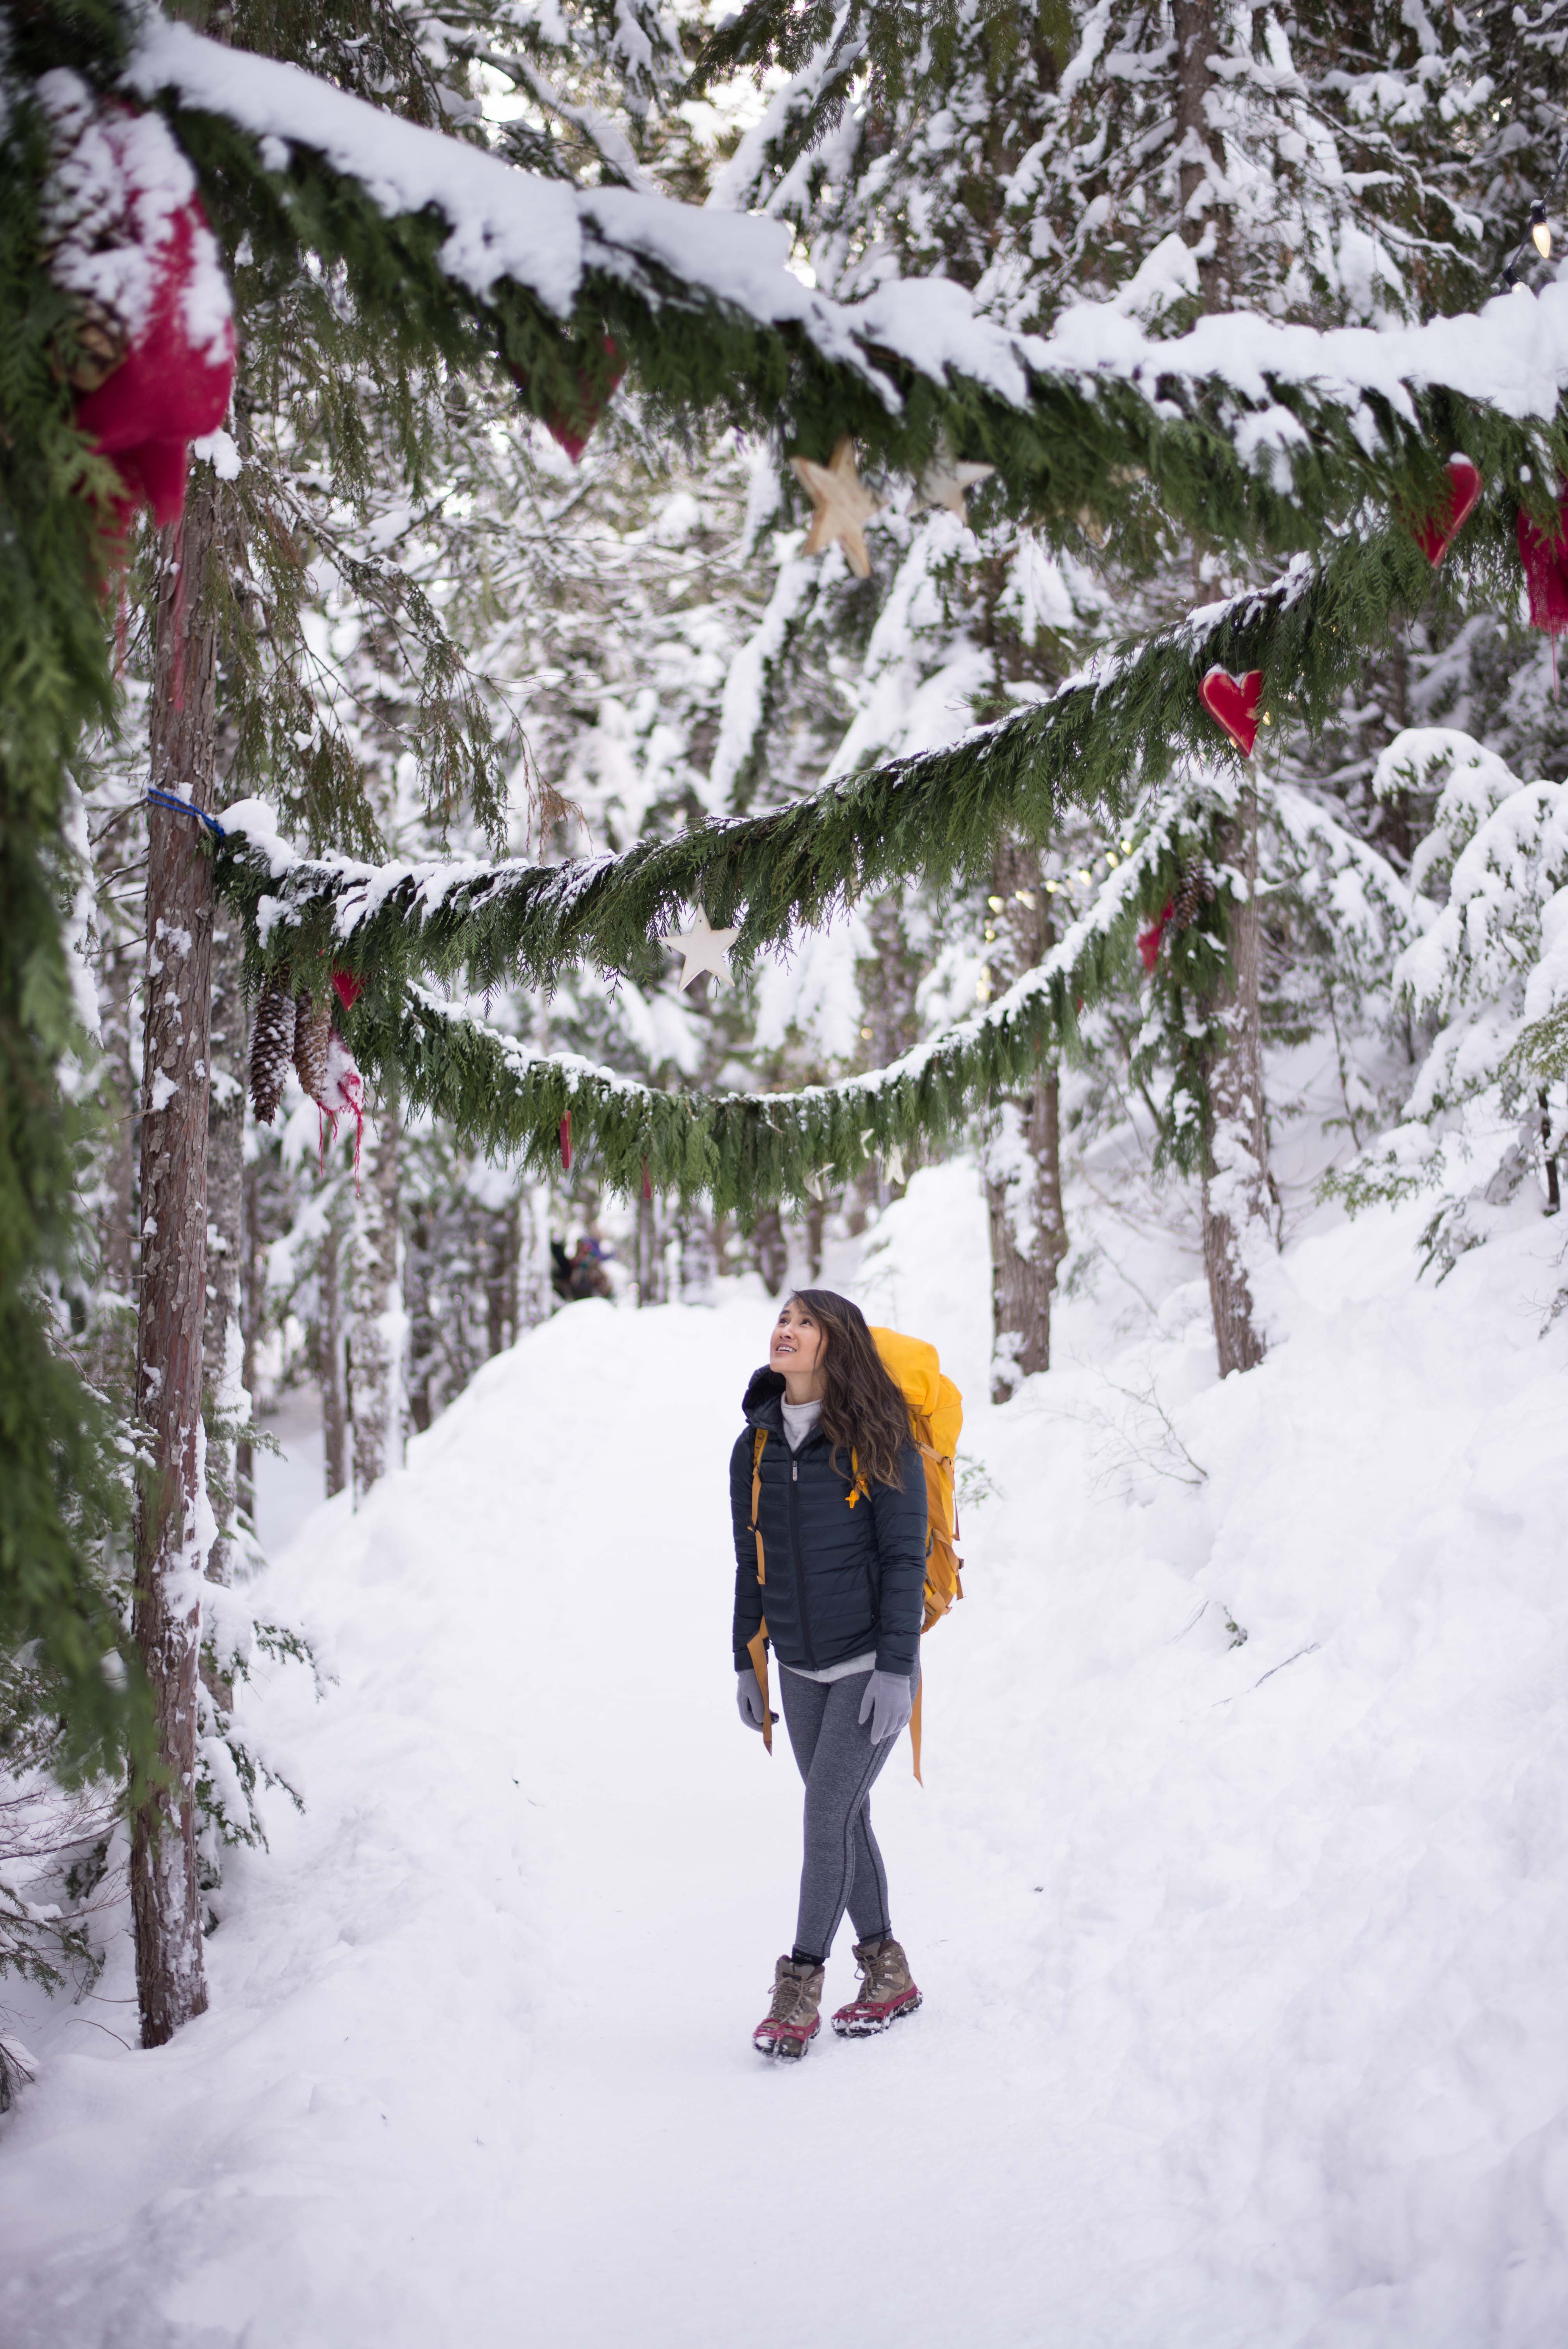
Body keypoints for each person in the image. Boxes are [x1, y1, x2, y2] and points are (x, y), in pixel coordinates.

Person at [731, 1288, 928, 2060]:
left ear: (835, 1342)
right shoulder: (753, 1446)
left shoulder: (881, 1437)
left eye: (805, 1321)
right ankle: (889, 1971)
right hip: (799, 1668)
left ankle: (798, 1984)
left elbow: (905, 1559)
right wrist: (746, 1659)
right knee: (845, 1817)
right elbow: (752, 1559)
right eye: (783, 1317)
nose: (786, 1329)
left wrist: (896, 1668)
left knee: (823, 1815)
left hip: (867, 1665)